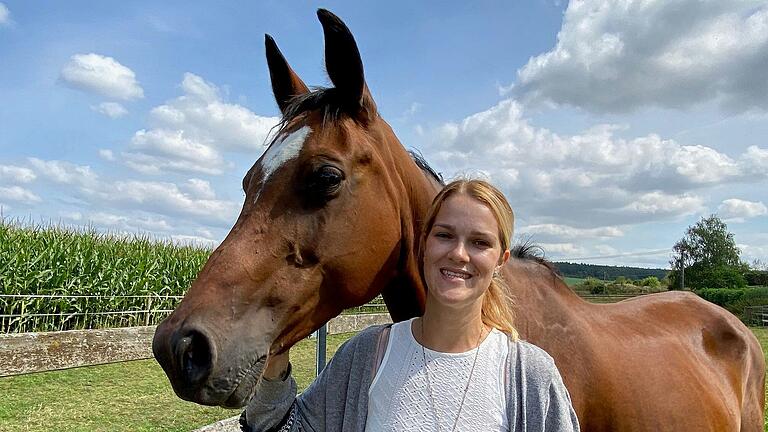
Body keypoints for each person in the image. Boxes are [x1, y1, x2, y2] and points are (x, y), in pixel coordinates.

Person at [241, 179, 580, 432]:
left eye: (479, 242)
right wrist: (276, 350)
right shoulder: (367, 356)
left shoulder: (529, 376)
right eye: (444, 235)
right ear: (424, 245)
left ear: (501, 261)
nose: (459, 254)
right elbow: (286, 428)